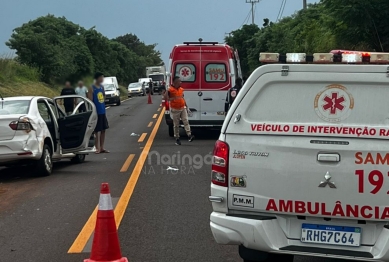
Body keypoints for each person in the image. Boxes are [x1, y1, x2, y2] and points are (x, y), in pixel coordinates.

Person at [165, 76, 194, 145]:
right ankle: (177, 138)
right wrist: (167, 92)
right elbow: (166, 98)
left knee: (186, 121)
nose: (181, 82)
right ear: (175, 82)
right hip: (175, 109)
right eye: (179, 81)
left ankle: (189, 135)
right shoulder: (170, 90)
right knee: (176, 125)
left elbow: (182, 98)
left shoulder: (181, 89)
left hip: (182, 107)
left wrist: (186, 107)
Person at [88, 73, 109, 154]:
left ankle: (102, 147)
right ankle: (97, 148)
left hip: (102, 111)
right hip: (96, 112)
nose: (102, 79)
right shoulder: (92, 87)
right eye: (101, 77)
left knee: (103, 130)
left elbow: (104, 96)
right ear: (97, 78)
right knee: (97, 131)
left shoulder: (101, 87)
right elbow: (90, 101)